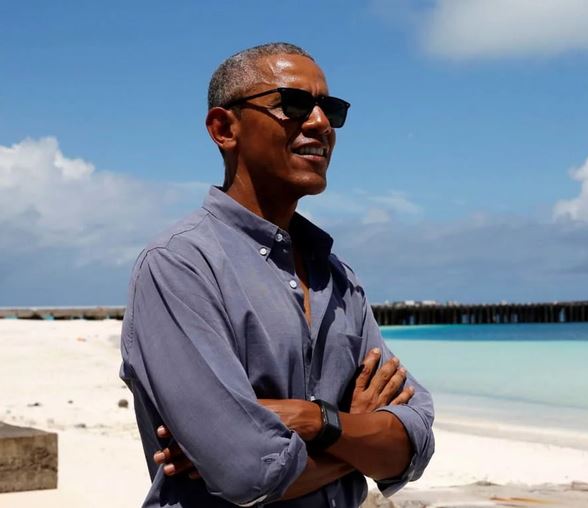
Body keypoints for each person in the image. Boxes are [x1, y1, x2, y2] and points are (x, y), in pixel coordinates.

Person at [119, 42, 435, 507]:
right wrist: (355, 434)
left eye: (331, 109)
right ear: (224, 128)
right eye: (294, 105)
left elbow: (416, 442)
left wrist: (313, 420)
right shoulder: (179, 266)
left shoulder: (339, 278)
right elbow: (248, 471)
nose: (320, 123)